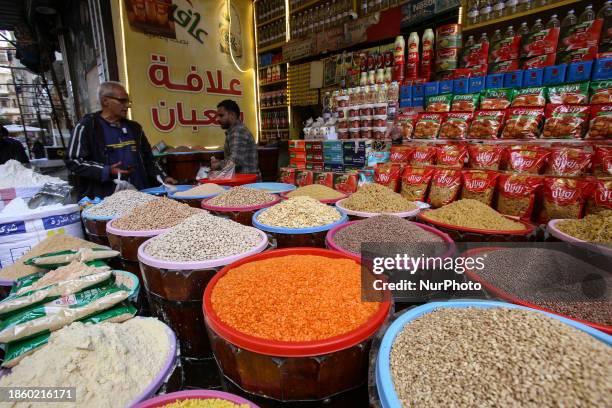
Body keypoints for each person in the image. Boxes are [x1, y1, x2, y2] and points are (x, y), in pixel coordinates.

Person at [66, 81, 176, 198]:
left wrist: (163, 177)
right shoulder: (87, 126)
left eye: (128, 101)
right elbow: (74, 161)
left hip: (142, 195)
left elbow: (149, 159)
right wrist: (106, 170)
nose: (127, 105)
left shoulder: (135, 128)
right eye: (122, 101)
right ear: (105, 101)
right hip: (106, 199)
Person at [211, 100, 259, 176]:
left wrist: (217, 165)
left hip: (247, 184)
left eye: (221, 115)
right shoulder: (235, 130)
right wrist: (220, 162)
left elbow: (235, 162)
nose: (218, 119)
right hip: (243, 182)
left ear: (232, 115)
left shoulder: (238, 131)